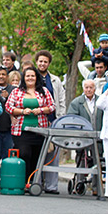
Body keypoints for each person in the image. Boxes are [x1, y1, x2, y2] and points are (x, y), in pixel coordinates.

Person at [5, 67, 55, 182]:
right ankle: (23, 181)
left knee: (37, 157)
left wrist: (41, 110)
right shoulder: (17, 91)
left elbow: (52, 106)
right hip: (21, 130)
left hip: (40, 130)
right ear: (24, 78)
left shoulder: (44, 91)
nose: (30, 78)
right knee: (24, 154)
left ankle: (34, 182)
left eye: (32, 76)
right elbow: (8, 107)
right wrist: (22, 111)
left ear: (36, 77)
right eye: (28, 76)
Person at [34, 50, 65, 194]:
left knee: (53, 154)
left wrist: (60, 118)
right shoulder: (32, 77)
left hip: (52, 120)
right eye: (40, 61)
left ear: (48, 64)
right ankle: (36, 183)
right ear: (36, 62)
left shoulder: (55, 80)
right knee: (37, 153)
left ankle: (51, 185)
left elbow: (60, 100)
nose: (42, 64)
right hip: (36, 120)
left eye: (45, 61)